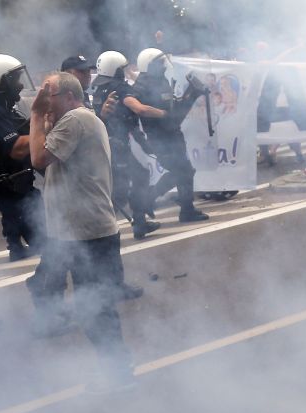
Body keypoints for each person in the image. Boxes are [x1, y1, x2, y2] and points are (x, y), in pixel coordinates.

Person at [28, 72, 136, 392]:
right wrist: (45, 117)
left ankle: (118, 373)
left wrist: (35, 114)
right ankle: (114, 368)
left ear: (70, 97)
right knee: (91, 306)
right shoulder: (77, 120)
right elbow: (46, 147)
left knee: (95, 309)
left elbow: (38, 157)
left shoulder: (76, 119)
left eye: (50, 95)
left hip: (88, 233)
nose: (45, 102)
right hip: (77, 233)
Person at [0, 54, 45, 261]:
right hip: (8, 177)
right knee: (39, 226)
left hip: (13, 178)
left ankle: (18, 247)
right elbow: (15, 147)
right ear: (2, 80)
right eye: (15, 79)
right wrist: (47, 130)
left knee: (25, 217)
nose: (20, 84)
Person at [133, 48, 208, 223]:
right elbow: (137, 110)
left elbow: (172, 112)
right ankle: (150, 201)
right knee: (182, 171)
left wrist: (191, 94)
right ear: (148, 65)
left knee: (184, 171)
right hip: (160, 138)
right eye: (159, 63)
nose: (163, 66)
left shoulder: (160, 80)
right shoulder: (142, 86)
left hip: (172, 135)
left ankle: (184, 209)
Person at [92, 50, 162, 239]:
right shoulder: (120, 88)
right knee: (130, 182)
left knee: (125, 183)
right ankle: (137, 223)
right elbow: (138, 108)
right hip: (119, 143)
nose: (124, 71)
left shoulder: (99, 88)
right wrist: (165, 114)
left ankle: (137, 221)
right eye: (122, 68)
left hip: (104, 143)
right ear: (115, 70)